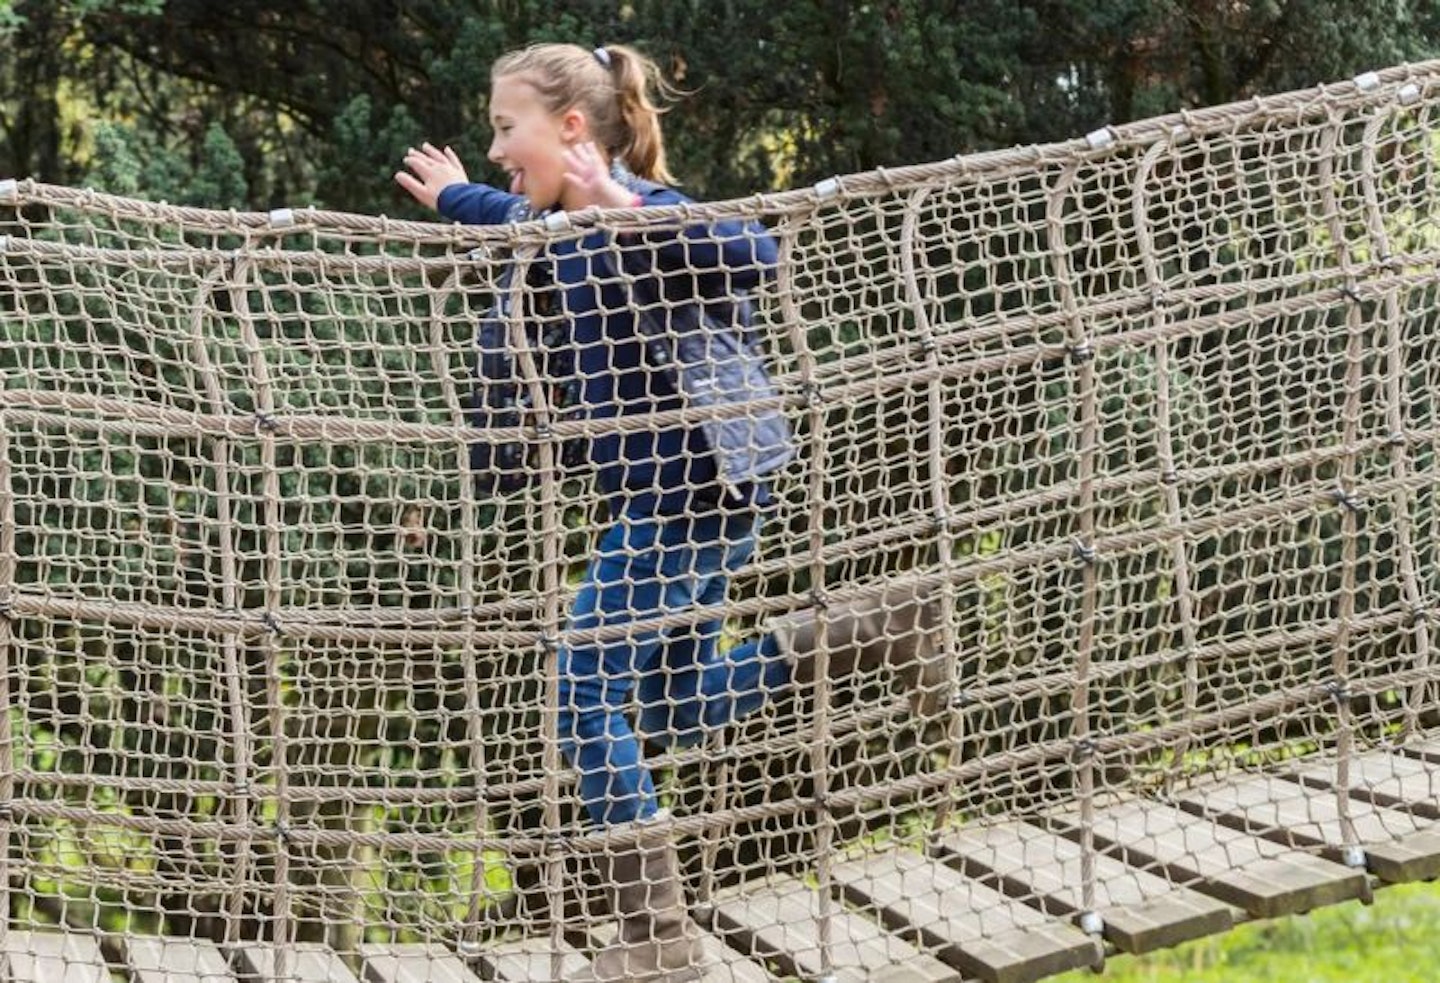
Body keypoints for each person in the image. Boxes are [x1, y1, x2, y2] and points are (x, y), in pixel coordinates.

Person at [396, 41, 944, 983]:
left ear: (572, 130)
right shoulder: (553, 226)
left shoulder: (650, 214)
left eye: (503, 128)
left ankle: (656, 929)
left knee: (582, 692)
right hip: (680, 502)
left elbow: (752, 250)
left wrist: (620, 206)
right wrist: (454, 197)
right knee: (673, 705)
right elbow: (504, 211)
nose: (492, 150)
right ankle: (867, 626)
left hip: (690, 494)